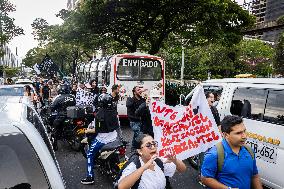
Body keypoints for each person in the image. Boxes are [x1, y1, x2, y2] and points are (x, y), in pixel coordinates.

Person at [201, 115, 263, 189]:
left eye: (244, 131)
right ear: (225, 135)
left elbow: (255, 176)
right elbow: (205, 179)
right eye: (238, 133)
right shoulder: (214, 154)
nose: (244, 136)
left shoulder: (249, 151)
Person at [117, 134, 186, 189]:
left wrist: (175, 160)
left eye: (154, 143)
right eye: (148, 145)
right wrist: (144, 167)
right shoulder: (134, 165)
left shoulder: (159, 161)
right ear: (140, 151)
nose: (153, 147)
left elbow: (183, 169)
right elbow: (121, 187)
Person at [81, 93, 119, 185]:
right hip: (114, 136)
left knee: (90, 154)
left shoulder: (99, 115)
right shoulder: (114, 110)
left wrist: (86, 130)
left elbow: (96, 130)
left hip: (103, 139)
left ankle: (90, 177)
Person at [50, 84, 76, 150]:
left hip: (62, 116)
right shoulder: (72, 97)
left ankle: (55, 144)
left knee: (55, 127)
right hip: (72, 115)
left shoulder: (59, 98)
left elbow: (52, 107)